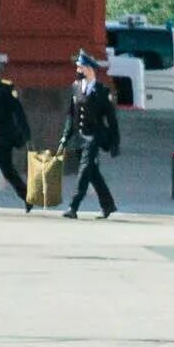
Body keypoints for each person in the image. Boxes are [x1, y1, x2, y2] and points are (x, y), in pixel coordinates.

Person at [61, 50, 122, 220]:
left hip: (94, 137)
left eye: (81, 66)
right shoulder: (76, 87)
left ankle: (73, 206)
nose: (78, 68)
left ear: (89, 68)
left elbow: (112, 119)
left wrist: (115, 142)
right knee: (93, 173)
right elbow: (71, 115)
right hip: (80, 137)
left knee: (84, 171)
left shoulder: (102, 91)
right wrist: (65, 137)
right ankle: (108, 204)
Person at [0, 53, 31, 206]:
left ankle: (26, 197)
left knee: (6, 168)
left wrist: (25, 133)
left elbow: (18, 112)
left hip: (4, 136)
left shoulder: (6, 87)